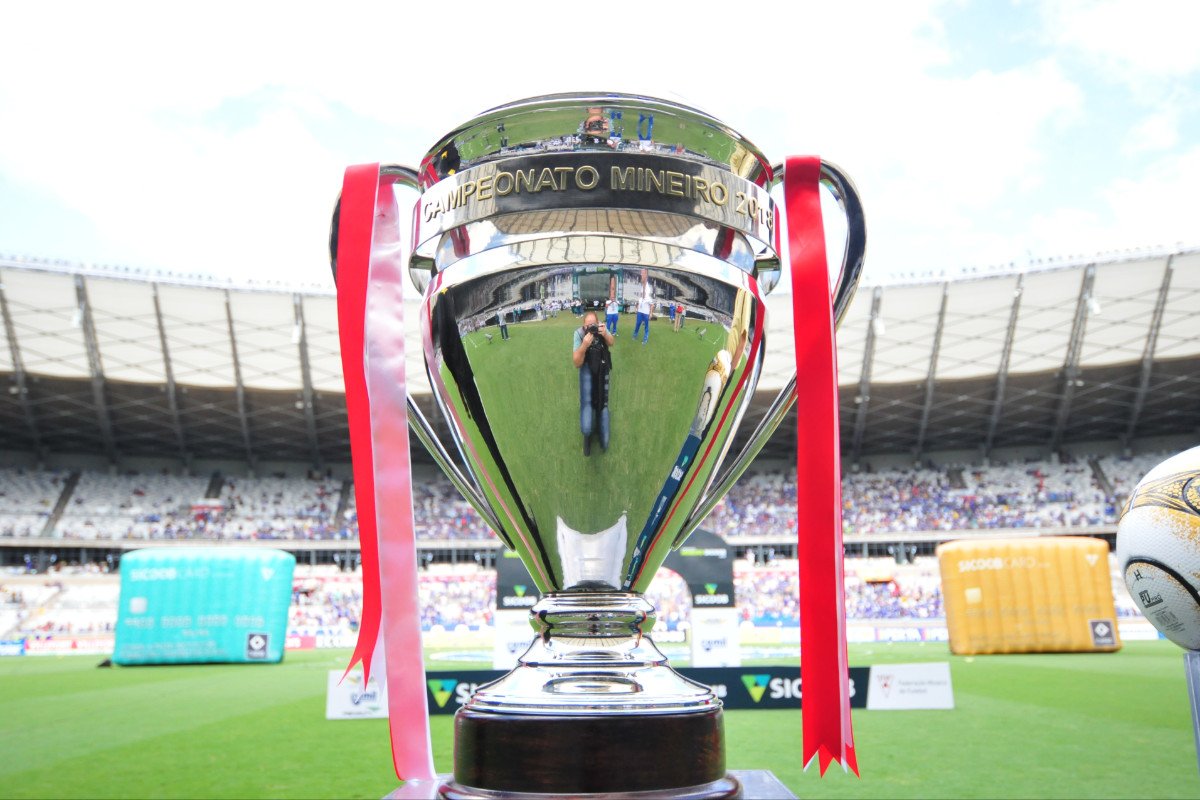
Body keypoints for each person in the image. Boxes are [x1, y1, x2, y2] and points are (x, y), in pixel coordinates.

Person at [572, 312, 614, 455]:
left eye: (593, 324)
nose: (591, 327)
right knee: (587, 411)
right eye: (588, 325)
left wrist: (605, 334)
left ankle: (600, 416)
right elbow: (577, 363)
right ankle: (587, 436)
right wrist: (584, 345)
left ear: (598, 322)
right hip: (586, 369)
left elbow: (611, 342)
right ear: (584, 325)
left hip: (602, 369)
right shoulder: (579, 334)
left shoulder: (602, 328)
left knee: (605, 441)